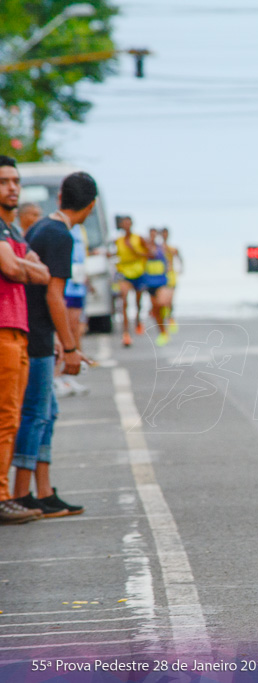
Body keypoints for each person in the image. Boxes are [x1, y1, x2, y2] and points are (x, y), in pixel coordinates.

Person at [11, 171, 98, 518]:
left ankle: (43, 491)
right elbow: (54, 295)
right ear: (90, 206)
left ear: (60, 196)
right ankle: (21, 493)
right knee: (35, 414)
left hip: (32, 331)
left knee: (47, 412)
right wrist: (71, 345)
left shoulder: (40, 228)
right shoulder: (61, 236)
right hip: (36, 336)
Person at [0, 156, 49, 524]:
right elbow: (15, 269)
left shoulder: (14, 231)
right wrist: (25, 268)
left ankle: (4, 493)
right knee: (5, 416)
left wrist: (26, 268)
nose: (12, 187)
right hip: (3, 329)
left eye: (15, 181)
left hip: (19, 329)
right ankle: (2, 496)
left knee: (13, 416)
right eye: (4, 182)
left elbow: (43, 272)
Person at [56, 220, 91, 397]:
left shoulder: (81, 229)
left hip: (78, 284)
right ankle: (57, 377)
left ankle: (66, 376)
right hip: (65, 285)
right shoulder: (60, 227)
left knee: (76, 328)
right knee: (65, 329)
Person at [111, 215, 148, 347]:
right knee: (124, 301)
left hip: (138, 273)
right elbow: (115, 254)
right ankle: (125, 333)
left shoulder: (139, 239)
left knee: (138, 302)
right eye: (124, 224)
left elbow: (149, 254)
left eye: (128, 223)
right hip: (124, 274)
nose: (126, 226)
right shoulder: (117, 241)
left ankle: (138, 321)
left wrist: (134, 250)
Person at [144, 227, 172, 347]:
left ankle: (167, 322)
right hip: (149, 282)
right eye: (151, 235)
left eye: (155, 235)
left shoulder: (162, 248)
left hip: (161, 280)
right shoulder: (144, 248)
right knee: (155, 309)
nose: (153, 237)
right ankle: (162, 332)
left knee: (162, 304)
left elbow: (168, 260)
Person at [161, 227, 182, 333]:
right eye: (163, 233)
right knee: (164, 298)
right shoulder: (158, 248)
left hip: (171, 274)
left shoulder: (172, 248)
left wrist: (181, 270)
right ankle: (167, 317)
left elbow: (180, 258)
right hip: (161, 275)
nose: (165, 235)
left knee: (170, 298)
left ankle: (170, 317)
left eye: (166, 233)